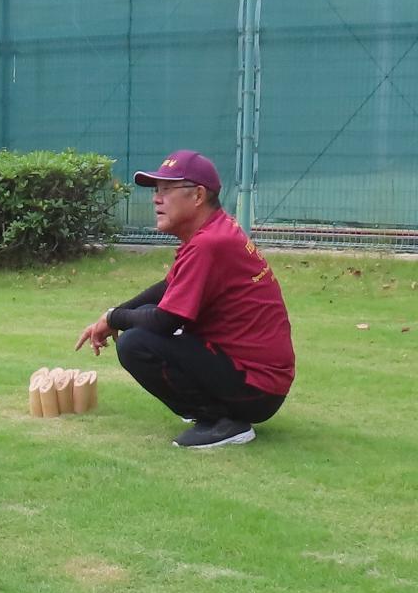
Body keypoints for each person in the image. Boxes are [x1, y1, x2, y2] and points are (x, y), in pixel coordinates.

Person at [75, 150, 294, 449]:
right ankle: (219, 414)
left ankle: (222, 422)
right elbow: (167, 288)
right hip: (258, 380)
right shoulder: (212, 232)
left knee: (135, 342)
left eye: (166, 189)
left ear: (198, 195)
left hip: (257, 386)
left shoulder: (209, 243)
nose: (156, 198)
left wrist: (114, 317)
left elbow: (167, 321)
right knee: (143, 322)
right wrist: (111, 314)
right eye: (156, 190)